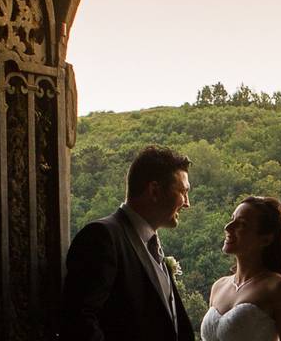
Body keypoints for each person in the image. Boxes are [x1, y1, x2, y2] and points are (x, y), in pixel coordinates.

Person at [60, 146, 194, 341]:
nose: (187, 203)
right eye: (183, 191)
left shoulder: (152, 244)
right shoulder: (101, 237)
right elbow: (79, 321)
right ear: (154, 191)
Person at [201, 196, 281, 341]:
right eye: (232, 219)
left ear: (266, 239)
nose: (228, 227)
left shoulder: (278, 287)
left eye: (241, 224)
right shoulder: (218, 286)